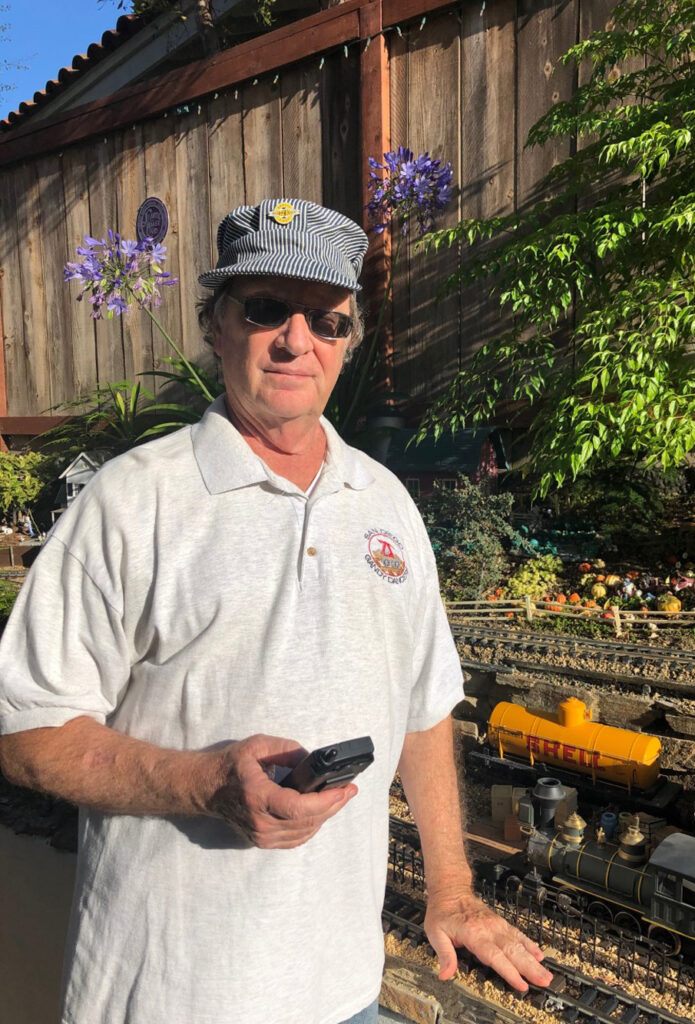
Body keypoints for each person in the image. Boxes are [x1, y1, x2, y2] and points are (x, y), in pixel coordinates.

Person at [0, 199, 552, 1024]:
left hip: (342, 993)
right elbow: (26, 732)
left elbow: (422, 707)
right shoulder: (133, 502)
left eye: (327, 321)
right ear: (216, 327)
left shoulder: (387, 503)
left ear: (348, 345)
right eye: (266, 310)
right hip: (166, 995)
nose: (298, 340)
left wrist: (452, 889)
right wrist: (204, 781)